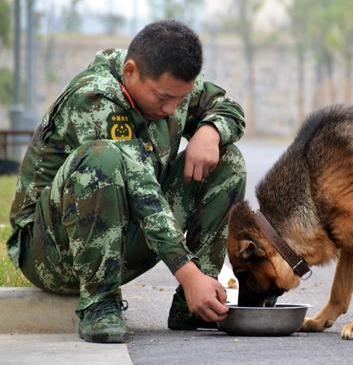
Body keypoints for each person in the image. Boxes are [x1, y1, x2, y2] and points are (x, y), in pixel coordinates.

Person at [6, 20, 246, 343]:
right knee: (103, 158)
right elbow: (141, 187)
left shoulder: (169, 82)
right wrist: (186, 272)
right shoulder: (94, 97)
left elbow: (228, 107)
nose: (172, 108)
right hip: (51, 250)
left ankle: (197, 304)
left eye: (181, 99)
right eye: (163, 98)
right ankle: (99, 304)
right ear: (130, 72)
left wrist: (210, 131)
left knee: (228, 161)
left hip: (122, 231)